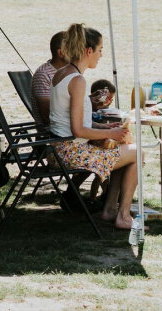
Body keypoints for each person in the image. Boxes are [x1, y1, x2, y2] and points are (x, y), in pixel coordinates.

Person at [50, 23, 139, 230]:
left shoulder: (61, 73)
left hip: (57, 149)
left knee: (126, 151)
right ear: (88, 51)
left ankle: (110, 210)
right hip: (71, 153)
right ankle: (122, 215)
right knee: (137, 153)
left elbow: (74, 120)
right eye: (100, 50)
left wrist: (107, 128)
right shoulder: (78, 80)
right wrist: (113, 132)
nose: (100, 55)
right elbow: (78, 130)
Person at [31, 31, 68, 125]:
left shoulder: (67, 71)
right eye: (73, 49)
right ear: (61, 52)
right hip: (55, 133)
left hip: (67, 126)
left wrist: (90, 100)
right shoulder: (43, 75)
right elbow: (47, 116)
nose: (78, 53)